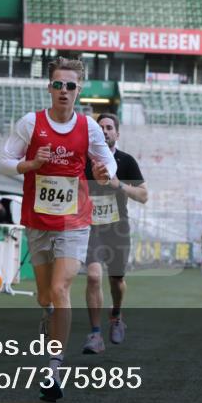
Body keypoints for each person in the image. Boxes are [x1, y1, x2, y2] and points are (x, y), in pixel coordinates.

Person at [0, 57, 116, 402]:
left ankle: (53, 368)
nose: (63, 91)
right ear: (49, 87)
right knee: (45, 295)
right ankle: (48, 316)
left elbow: (106, 159)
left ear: (79, 90)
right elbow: (4, 161)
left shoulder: (89, 127)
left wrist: (105, 171)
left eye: (70, 86)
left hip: (74, 220)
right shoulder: (30, 124)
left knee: (61, 287)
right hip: (38, 219)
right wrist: (30, 164)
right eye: (58, 85)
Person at [82, 113, 147, 354]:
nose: (105, 131)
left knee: (116, 280)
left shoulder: (126, 161)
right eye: (101, 128)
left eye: (110, 128)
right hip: (91, 226)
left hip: (117, 227)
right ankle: (95, 334)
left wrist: (118, 184)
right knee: (93, 276)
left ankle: (116, 314)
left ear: (117, 134)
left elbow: (143, 195)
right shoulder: (84, 159)